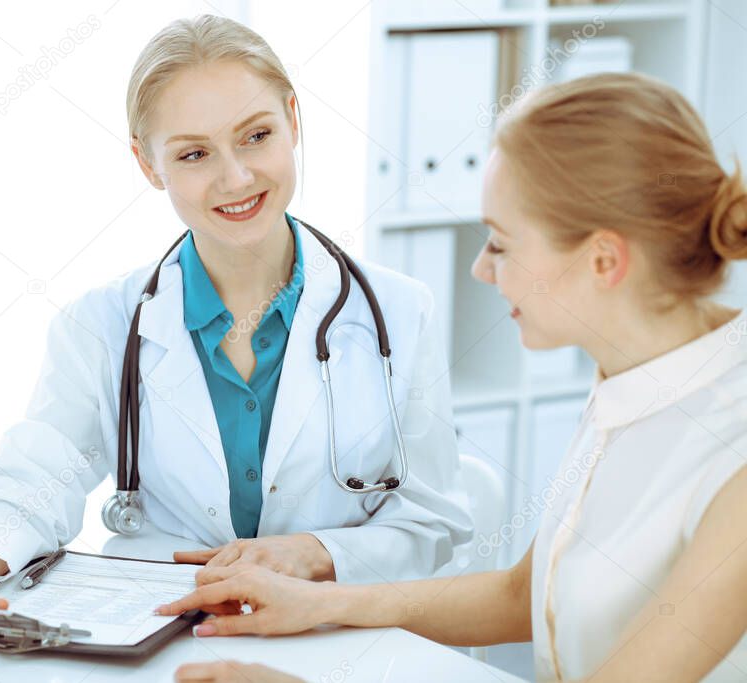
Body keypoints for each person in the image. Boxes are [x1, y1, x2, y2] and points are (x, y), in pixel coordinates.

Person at [0, 15, 473, 651]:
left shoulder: (399, 313)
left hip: (339, 640)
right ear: (147, 163)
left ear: (294, 122)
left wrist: (317, 552)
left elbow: (433, 520)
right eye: (193, 154)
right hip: (165, 643)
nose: (236, 178)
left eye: (257, 136)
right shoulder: (103, 325)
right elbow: (30, 481)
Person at [157, 72, 747, 683]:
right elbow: (525, 595)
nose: (481, 269)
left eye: (500, 242)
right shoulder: (634, 380)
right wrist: (319, 604)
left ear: (602, 260)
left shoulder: (733, 453)